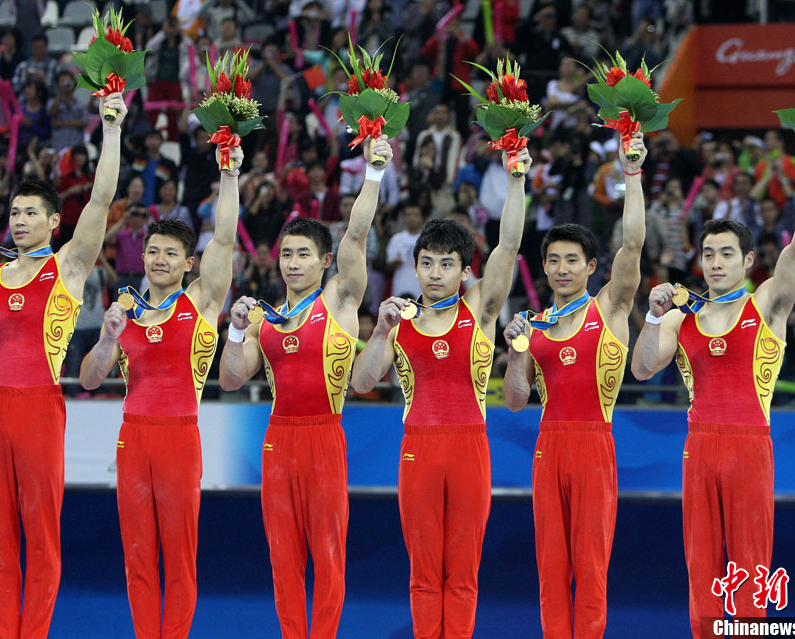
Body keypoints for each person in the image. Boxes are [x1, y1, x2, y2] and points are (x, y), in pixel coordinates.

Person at [0, 93, 126, 639]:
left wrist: (111, 128)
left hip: (40, 406)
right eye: (14, 212)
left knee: (40, 535)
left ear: (54, 221)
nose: (18, 220)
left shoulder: (67, 266)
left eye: (30, 212)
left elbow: (101, 198)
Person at [630, 152, 795, 638]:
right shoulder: (680, 317)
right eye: (708, 254)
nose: (716, 263)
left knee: (749, 562)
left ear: (747, 261)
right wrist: (655, 317)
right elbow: (641, 369)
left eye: (726, 254)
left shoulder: (766, 304)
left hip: (749, 445)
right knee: (701, 562)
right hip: (699, 446)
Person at [350, 146, 532, 639]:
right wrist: (380, 332)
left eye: (445, 264)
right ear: (414, 267)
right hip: (419, 450)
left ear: (464, 271)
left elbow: (509, 245)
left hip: (470, 448)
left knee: (463, 571)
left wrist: (516, 179)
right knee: (425, 572)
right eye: (426, 263)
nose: (434, 273)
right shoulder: (399, 321)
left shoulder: (481, 309)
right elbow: (361, 383)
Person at [218, 136, 393, 639]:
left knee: (328, 553)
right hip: (277, 440)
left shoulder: (338, 299)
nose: (292, 263)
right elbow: (231, 379)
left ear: (324, 260)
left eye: (303, 255)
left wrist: (374, 172)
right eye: (286, 255)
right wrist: (235, 331)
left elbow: (357, 235)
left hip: (324, 437)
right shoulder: (263, 318)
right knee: (283, 557)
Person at [78, 142, 243, 639]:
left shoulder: (201, 301)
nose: (160, 260)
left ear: (189, 263)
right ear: (141, 255)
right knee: (138, 556)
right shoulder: (123, 310)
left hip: (179, 437)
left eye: (171, 253)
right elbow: (88, 380)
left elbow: (225, 239)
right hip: (133, 438)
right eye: (153, 251)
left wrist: (229, 175)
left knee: (179, 554)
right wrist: (107, 339)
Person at [501, 134, 647, 639]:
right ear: (544, 267)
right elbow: (515, 402)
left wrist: (632, 173)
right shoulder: (534, 327)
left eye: (572, 261)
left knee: (590, 566)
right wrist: (516, 351)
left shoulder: (609, 308)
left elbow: (633, 245)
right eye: (554, 261)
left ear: (590, 267)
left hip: (593, 444)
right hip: (548, 447)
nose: (562, 270)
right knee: (550, 569)